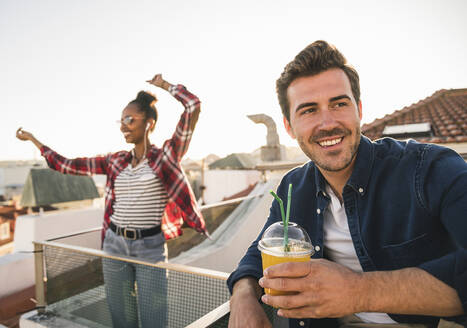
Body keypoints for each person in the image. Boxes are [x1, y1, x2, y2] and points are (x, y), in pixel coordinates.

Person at [227, 41, 467, 328]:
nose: (327, 123)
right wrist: (242, 296)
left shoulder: (429, 168)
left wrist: (358, 291)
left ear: (359, 109)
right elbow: (262, 248)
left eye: (339, 104)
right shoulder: (294, 185)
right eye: (308, 110)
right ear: (289, 126)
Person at [16, 74, 207, 328]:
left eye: (131, 119)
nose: (123, 125)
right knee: (121, 319)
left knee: (154, 321)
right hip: (114, 244)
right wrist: (33, 140)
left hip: (150, 247)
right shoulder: (115, 160)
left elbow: (193, 105)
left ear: (149, 123)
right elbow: (67, 165)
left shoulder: (166, 156)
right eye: (121, 120)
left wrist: (164, 86)